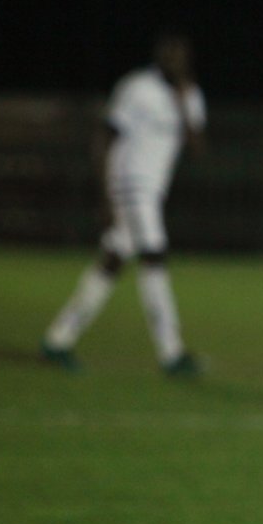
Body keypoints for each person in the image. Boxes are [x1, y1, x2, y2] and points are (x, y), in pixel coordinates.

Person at [40, 32, 205, 375]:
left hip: (153, 190)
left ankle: (58, 339)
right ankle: (171, 353)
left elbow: (196, 149)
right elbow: (103, 137)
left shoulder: (190, 94)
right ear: (158, 57)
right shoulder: (138, 87)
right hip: (129, 185)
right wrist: (105, 197)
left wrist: (182, 104)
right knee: (154, 256)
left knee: (111, 262)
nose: (175, 62)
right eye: (169, 55)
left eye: (180, 56)